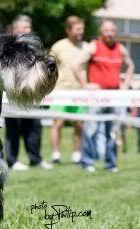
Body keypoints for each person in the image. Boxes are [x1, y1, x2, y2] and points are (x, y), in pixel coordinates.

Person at [73, 19, 135, 172]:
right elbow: (75, 65)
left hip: (115, 97)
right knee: (91, 128)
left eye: (112, 31)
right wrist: (85, 85)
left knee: (113, 131)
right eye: (106, 30)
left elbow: (131, 65)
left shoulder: (120, 48)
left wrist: (125, 84)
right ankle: (87, 162)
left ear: (115, 32)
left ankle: (111, 164)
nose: (109, 33)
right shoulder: (94, 46)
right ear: (101, 32)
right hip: (97, 96)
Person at [4, 15, 53, 171]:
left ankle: (35, 159)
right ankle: (12, 160)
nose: (29, 30)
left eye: (29, 27)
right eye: (24, 27)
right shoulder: (8, 49)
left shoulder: (33, 48)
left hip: (32, 96)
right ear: (14, 30)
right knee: (13, 128)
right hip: (12, 96)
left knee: (34, 127)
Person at [50, 16, 89, 164]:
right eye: (78, 29)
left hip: (80, 92)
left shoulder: (86, 46)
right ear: (68, 30)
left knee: (79, 124)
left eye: (82, 29)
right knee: (58, 124)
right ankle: (55, 155)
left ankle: (77, 155)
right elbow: (49, 68)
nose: (81, 31)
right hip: (61, 91)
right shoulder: (58, 46)